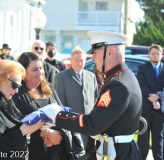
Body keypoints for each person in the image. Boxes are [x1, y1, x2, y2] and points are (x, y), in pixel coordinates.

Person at [39, 31, 143, 160]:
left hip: (116, 154)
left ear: (110, 52)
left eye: (95, 52)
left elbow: (92, 125)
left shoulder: (118, 85)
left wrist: (57, 115)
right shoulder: (123, 77)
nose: (92, 57)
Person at [12, 52, 85, 160]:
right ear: (23, 73)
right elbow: (16, 125)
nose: (40, 73)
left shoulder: (49, 88)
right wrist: (46, 133)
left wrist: (58, 133)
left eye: (41, 68)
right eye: (34, 70)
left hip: (60, 151)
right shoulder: (17, 94)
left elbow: (63, 114)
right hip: (35, 152)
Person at [0, 59, 44, 160]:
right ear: (1, 79)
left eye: (19, 86)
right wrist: (21, 131)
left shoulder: (2, 99)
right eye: (15, 85)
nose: (17, 90)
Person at [54, 46, 98, 148]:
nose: (79, 63)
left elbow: (96, 101)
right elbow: (60, 105)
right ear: (71, 61)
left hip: (89, 129)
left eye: (81, 60)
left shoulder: (92, 77)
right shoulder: (61, 77)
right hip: (73, 128)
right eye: (76, 60)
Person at [137, 44, 164, 160]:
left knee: (159, 138)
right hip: (145, 109)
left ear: (161, 55)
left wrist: (158, 96)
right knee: (143, 137)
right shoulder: (142, 68)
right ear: (149, 54)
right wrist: (152, 98)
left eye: (158, 53)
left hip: (160, 108)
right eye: (153, 53)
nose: (155, 55)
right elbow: (141, 84)